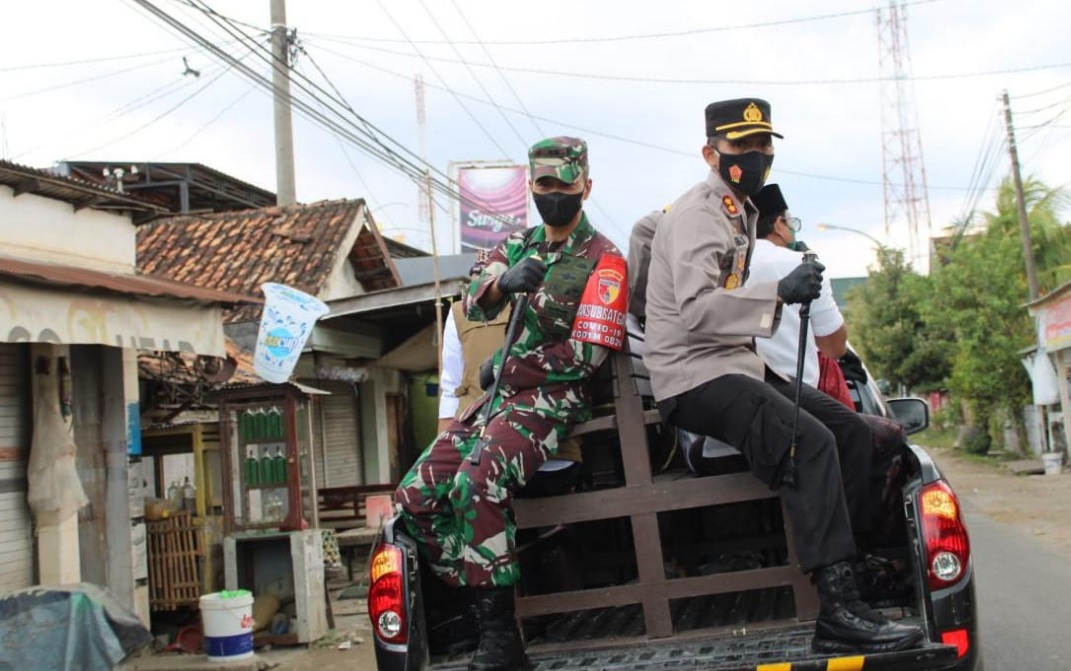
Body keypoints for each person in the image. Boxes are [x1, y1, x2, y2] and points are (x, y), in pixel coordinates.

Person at [642, 98, 923, 654]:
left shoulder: (739, 210)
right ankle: (838, 611)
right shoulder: (701, 211)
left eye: (763, 145)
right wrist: (780, 291)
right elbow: (696, 311)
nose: (755, 155)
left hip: (734, 366)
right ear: (710, 153)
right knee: (808, 441)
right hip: (692, 376)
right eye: (741, 146)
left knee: (851, 431)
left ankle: (854, 569)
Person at [397, 136, 625, 671]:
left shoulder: (605, 260)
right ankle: (475, 604)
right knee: (415, 496)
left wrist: (507, 368)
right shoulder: (513, 247)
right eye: (544, 185)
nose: (554, 195)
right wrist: (503, 283)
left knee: (477, 481)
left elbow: (585, 355)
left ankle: (502, 640)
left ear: (585, 187)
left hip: (553, 399)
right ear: (532, 186)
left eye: (565, 185)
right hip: (495, 403)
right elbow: (472, 298)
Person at [749, 183, 853, 407]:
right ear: (779, 225)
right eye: (792, 223)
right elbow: (833, 346)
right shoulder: (803, 266)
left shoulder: (723, 266)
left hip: (733, 400)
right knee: (859, 434)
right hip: (797, 402)